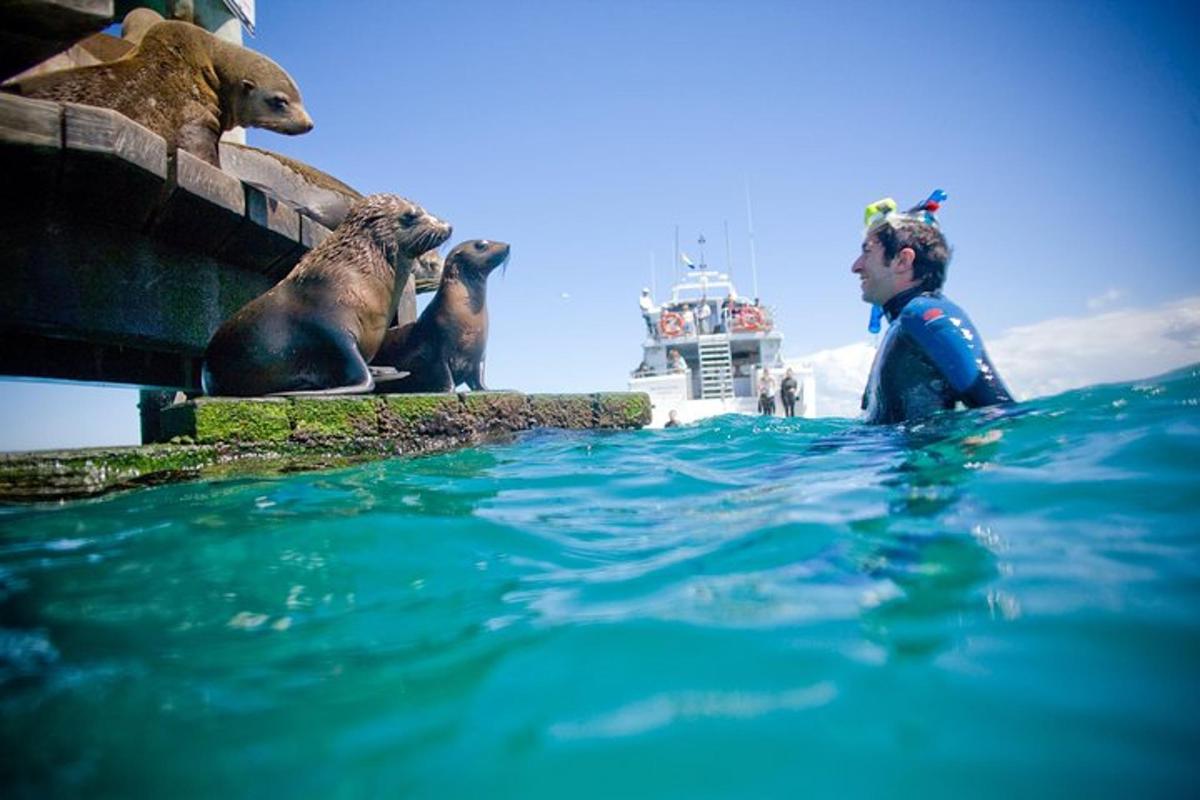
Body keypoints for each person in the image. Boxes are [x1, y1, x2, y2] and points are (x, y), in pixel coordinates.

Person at [853, 190, 1012, 424]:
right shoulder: (905, 326)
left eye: (867, 252)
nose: (856, 266)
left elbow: (1000, 413)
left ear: (903, 260)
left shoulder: (925, 315)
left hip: (923, 459)